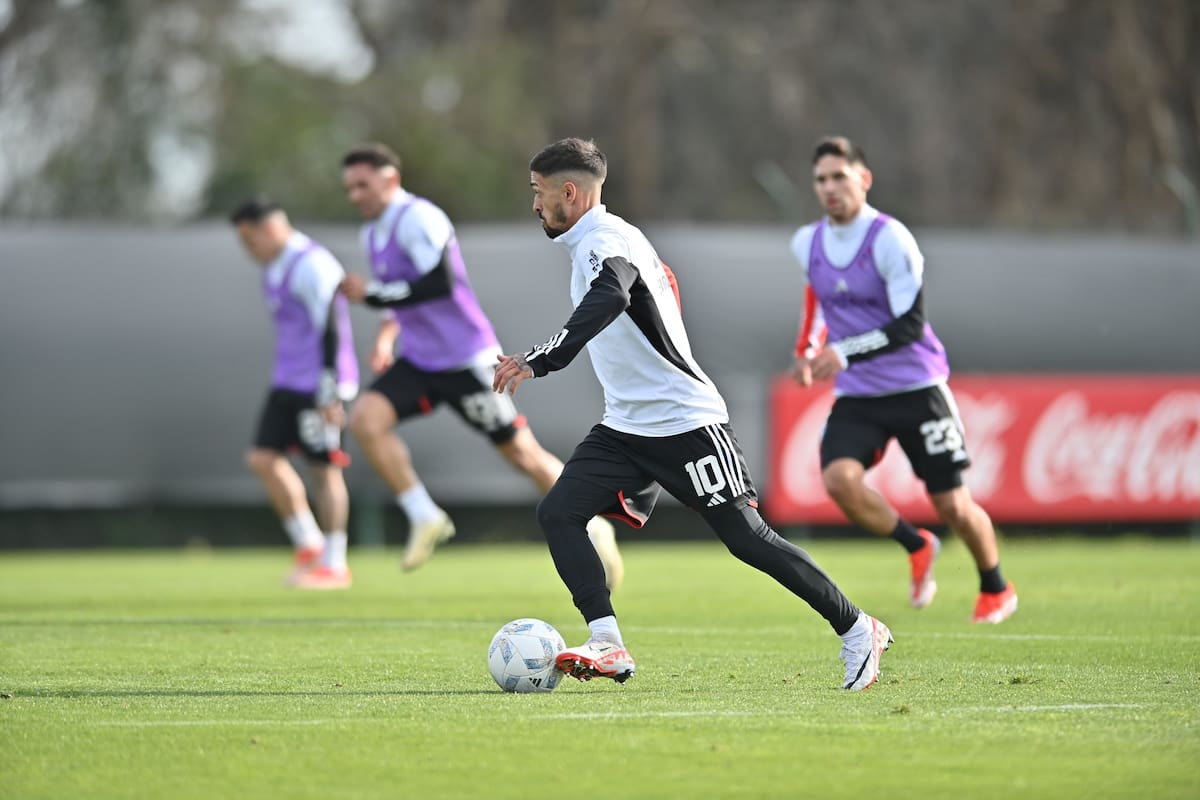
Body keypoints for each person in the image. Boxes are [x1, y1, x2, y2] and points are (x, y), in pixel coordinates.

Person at [493, 137, 892, 690]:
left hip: (684, 422)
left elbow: (612, 290)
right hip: (626, 426)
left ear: (570, 192)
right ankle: (607, 642)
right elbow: (662, 284)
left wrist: (547, 357)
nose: (534, 204)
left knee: (748, 538)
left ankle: (857, 628)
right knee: (558, 512)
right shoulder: (618, 235)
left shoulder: (602, 240)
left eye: (539, 193)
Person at [337, 143, 622, 585]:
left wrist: (372, 294)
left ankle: (594, 522)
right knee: (365, 420)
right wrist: (387, 333)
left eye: (362, 184)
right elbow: (401, 295)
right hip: (419, 360)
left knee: (521, 453)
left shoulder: (419, 218)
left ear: (390, 179)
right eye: (349, 187)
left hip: (463, 358)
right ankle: (424, 514)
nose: (355, 195)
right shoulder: (372, 233)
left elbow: (438, 282)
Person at [788, 136, 1018, 624]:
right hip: (860, 394)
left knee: (953, 504)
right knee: (838, 480)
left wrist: (843, 352)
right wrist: (807, 352)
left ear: (864, 180)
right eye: (821, 180)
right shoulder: (808, 242)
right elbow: (817, 302)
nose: (829, 188)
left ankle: (995, 586)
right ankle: (916, 545)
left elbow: (908, 325)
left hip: (917, 387)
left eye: (839, 177)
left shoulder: (890, 239)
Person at [231, 197, 358, 590]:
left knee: (324, 469)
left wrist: (329, 390)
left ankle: (334, 565)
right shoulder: (273, 267)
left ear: (269, 229)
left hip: (320, 384)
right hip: (287, 381)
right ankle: (309, 544)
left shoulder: (312, 264)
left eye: (250, 240)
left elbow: (331, 327)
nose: (247, 250)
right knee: (263, 459)